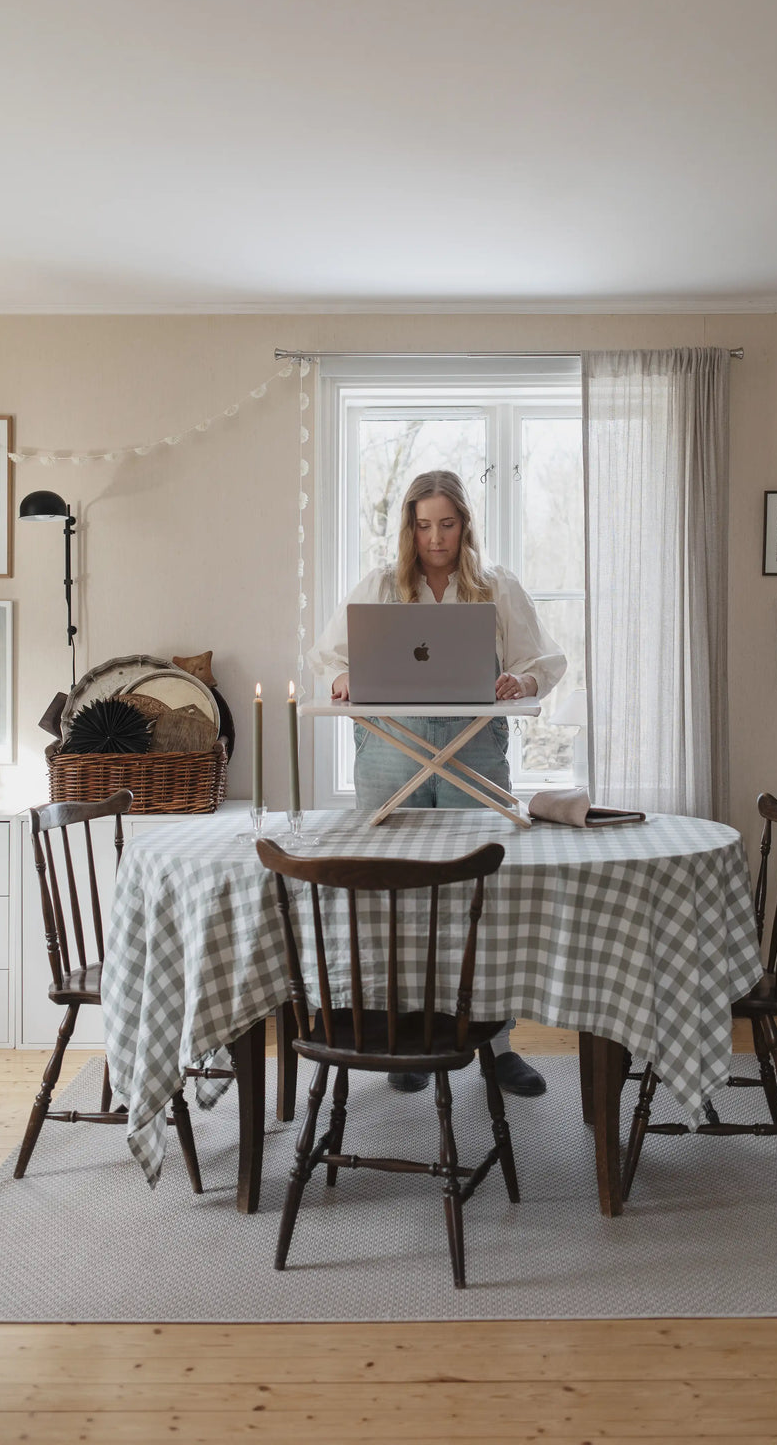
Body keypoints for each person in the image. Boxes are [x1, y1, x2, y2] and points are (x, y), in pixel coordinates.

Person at [309, 469, 567, 1098]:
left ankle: (497, 1047)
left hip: (473, 746)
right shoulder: (379, 586)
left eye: (446, 523)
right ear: (408, 526)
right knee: (395, 895)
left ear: (465, 524)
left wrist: (521, 684)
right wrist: (342, 681)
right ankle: (406, 1033)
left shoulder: (497, 588)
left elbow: (544, 661)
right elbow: (329, 658)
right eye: (423, 524)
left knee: (482, 896)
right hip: (389, 752)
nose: (435, 537)